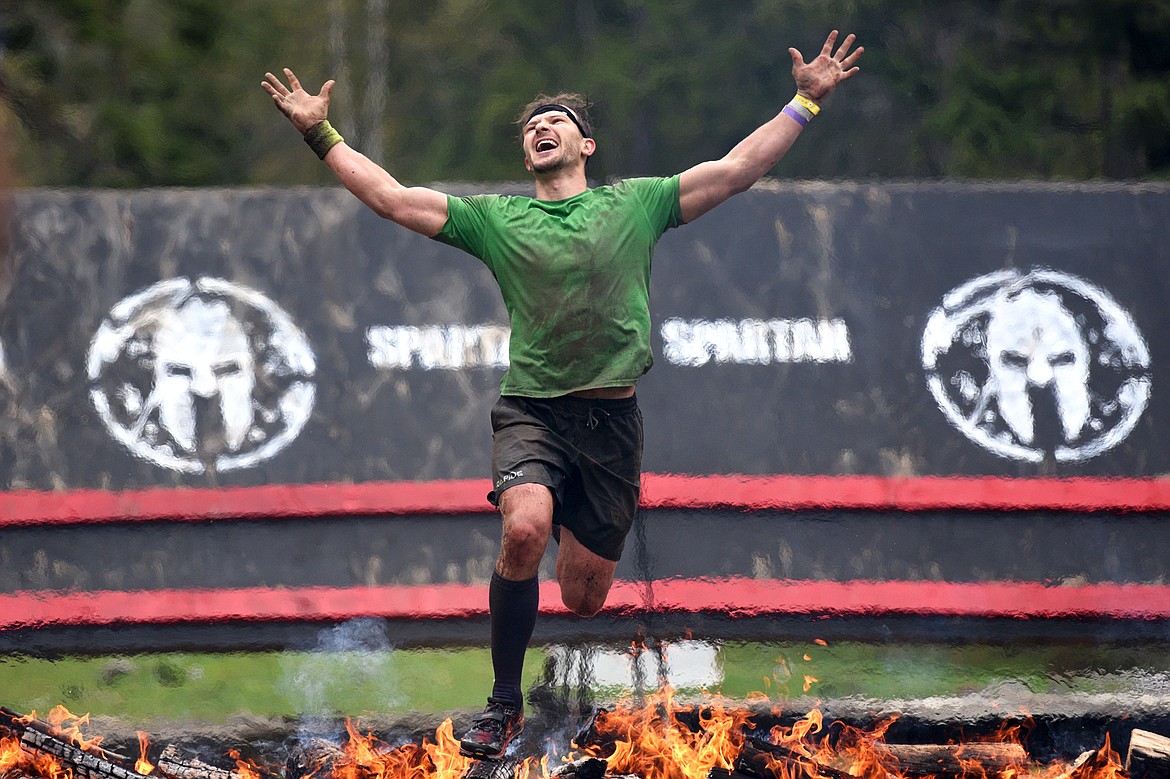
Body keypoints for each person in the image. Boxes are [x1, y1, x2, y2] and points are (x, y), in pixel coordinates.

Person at [262, 29, 862, 760]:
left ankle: (559, 551)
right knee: (522, 528)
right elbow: (391, 197)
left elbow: (737, 169)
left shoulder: (636, 205)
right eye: (530, 129)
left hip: (611, 422)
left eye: (557, 123)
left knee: (582, 597)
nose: (541, 129)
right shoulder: (496, 220)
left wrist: (805, 101)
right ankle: (502, 702)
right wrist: (318, 132)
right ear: (526, 157)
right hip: (533, 411)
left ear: (587, 146)